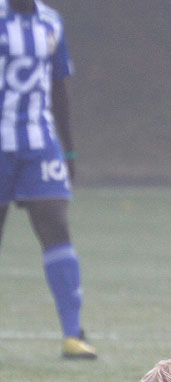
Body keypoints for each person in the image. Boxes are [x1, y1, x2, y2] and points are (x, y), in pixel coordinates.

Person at [0, 0, 95, 359]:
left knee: (55, 223)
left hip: (40, 144)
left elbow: (59, 88)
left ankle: (73, 334)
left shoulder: (51, 22)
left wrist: (68, 150)